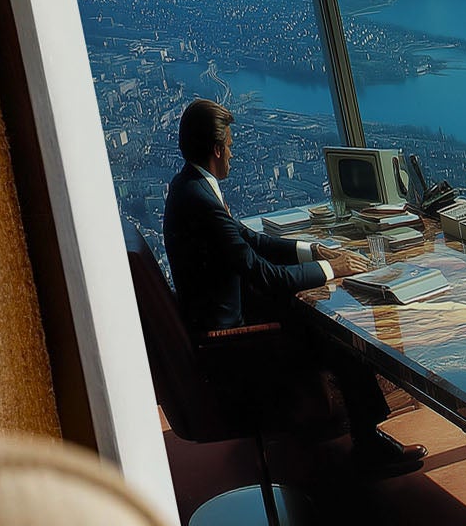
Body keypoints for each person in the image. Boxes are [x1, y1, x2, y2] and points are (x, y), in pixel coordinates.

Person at [164, 98, 424, 475]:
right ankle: (367, 443)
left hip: (218, 322)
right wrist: (331, 268)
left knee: (312, 317)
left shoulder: (188, 186)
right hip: (230, 343)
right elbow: (266, 274)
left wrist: (311, 250)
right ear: (217, 149)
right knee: (339, 335)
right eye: (232, 147)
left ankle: (354, 431)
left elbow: (249, 240)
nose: (233, 155)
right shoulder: (201, 201)